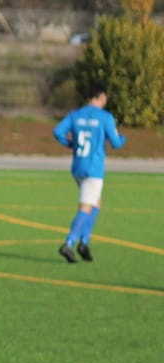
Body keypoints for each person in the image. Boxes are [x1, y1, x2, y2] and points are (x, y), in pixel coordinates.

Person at [53, 85, 125, 263]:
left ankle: (84, 243)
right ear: (101, 97)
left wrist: (70, 144)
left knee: (96, 203)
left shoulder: (76, 115)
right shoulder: (105, 117)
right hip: (94, 169)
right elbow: (115, 143)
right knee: (86, 206)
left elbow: (58, 132)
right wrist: (123, 139)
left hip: (78, 167)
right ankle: (69, 243)